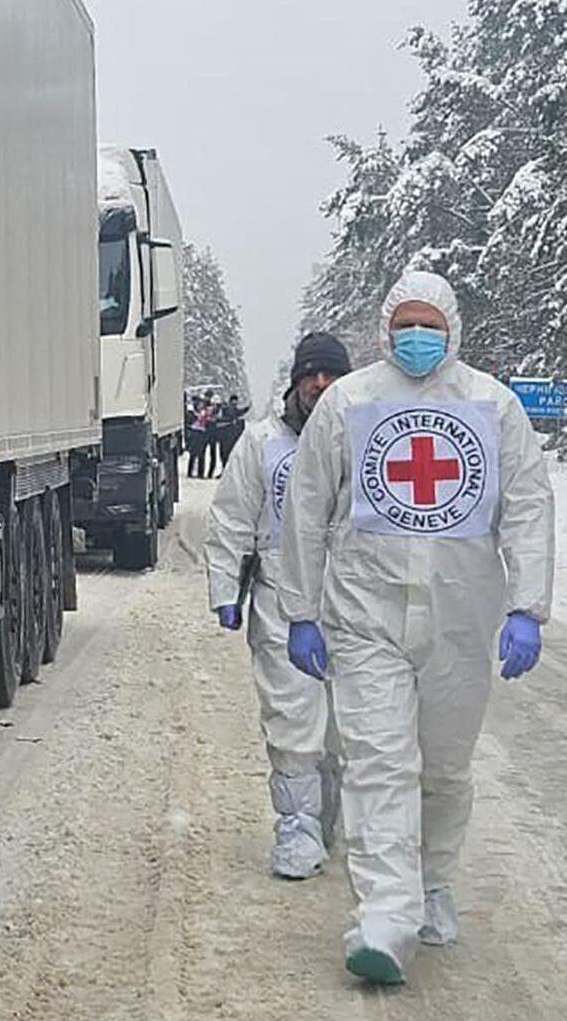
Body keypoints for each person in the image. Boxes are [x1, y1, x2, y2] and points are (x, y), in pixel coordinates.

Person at [279, 272, 554, 986]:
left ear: (454, 327)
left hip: (461, 619)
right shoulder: (350, 401)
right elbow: (307, 510)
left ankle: (432, 881)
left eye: (430, 323)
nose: (418, 335)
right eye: (406, 322)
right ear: (384, 326)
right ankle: (384, 915)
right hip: (365, 614)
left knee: (443, 766)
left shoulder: (492, 406)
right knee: (378, 763)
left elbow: (527, 504)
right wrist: (301, 611)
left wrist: (528, 605)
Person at [206, 333, 353, 880]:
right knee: (292, 719)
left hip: (356, 601)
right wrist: (226, 588)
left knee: (346, 722)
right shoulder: (262, 443)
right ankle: (296, 826)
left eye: (331, 376)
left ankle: (328, 818)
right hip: (281, 602)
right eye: (311, 374)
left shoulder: (361, 441)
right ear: (295, 381)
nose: (320, 385)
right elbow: (231, 518)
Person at [217, 393, 249, 467]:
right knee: (226, 453)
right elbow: (238, 412)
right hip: (227, 435)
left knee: (225, 453)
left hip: (227, 435)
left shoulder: (227, 408)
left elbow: (239, 412)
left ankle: (225, 468)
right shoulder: (228, 409)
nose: (235, 403)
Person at [187, 397, 212, 478]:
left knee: (202, 454)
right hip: (194, 433)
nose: (200, 406)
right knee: (193, 454)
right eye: (199, 405)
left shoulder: (205, 413)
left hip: (202, 433)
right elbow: (189, 422)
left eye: (201, 405)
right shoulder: (192, 413)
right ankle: (190, 472)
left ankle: (200, 473)